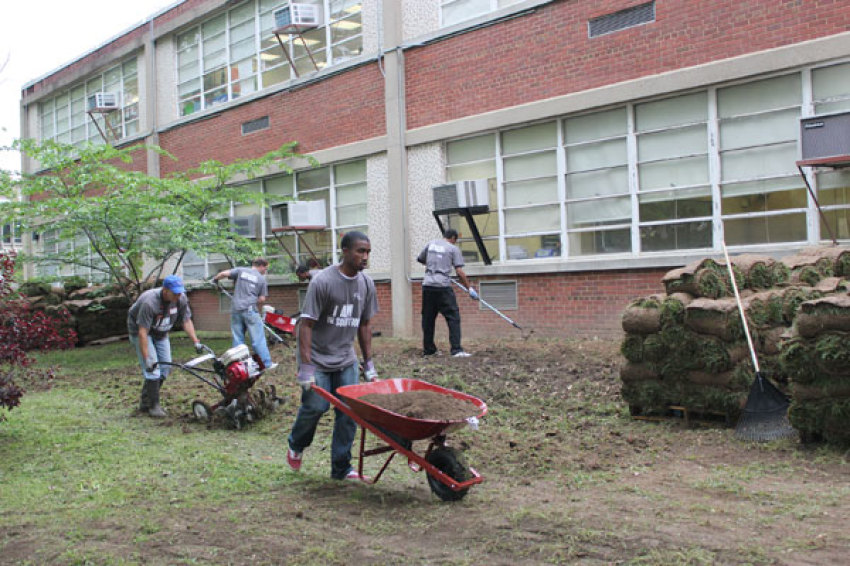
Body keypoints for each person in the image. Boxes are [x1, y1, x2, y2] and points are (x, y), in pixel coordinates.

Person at [286, 231, 379, 480]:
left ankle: (341, 468)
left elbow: (364, 325)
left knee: (349, 412)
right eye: (360, 251)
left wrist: (368, 363)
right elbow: (305, 326)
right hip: (317, 357)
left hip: (345, 358)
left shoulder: (366, 283)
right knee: (315, 407)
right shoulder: (323, 282)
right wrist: (306, 368)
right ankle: (296, 444)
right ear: (345, 251)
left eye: (368, 252)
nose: (365, 257)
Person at [128, 274, 204, 418]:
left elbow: (186, 321)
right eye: (175, 292)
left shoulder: (180, 299)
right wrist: (147, 360)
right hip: (142, 332)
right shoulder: (149, 302)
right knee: (153, 369)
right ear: (165, 290)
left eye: (180, 292)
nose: (178, 295)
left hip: (161, 333)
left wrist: (196, 341)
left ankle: (145, 402)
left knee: (165, 368)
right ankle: (153, 406)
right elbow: (143, 333)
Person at [417, 228, 478, 357]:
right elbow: (459, 271)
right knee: (453, 317)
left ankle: (429, 350)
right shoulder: (453, 249)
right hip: (442, 286)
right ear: (454, 238)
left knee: (428, 318)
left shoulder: (431, 244)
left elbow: (421, 259)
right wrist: (469, 288)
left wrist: (435, 266)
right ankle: (456, 350)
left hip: (427, 285)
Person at [211, 258, 277, 371]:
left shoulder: (241, 271)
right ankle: (266, 364)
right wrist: (251, 300)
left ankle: (239, 366)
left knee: (238, 340)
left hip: (236, 309)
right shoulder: (261, 279)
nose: (265, 271)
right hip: (250, 310)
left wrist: (215, 280)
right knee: (258, 340)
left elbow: (223, 274)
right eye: (265, 268)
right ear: (261, 266)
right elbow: (262, 299)